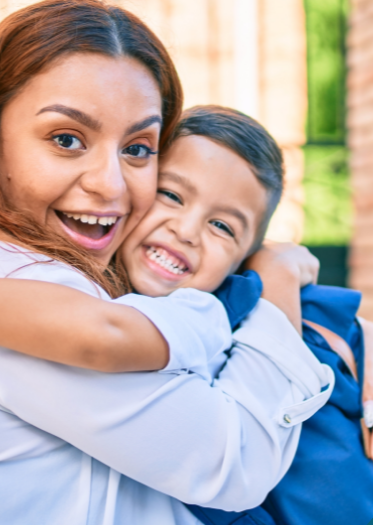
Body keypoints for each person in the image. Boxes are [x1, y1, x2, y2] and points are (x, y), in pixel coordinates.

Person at [0, 2, 328, 524]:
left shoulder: (95, 275)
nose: (110, 185)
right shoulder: (27, 285)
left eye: (137, 148)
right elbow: (235, 460)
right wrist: (279, 284)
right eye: (66, 139)